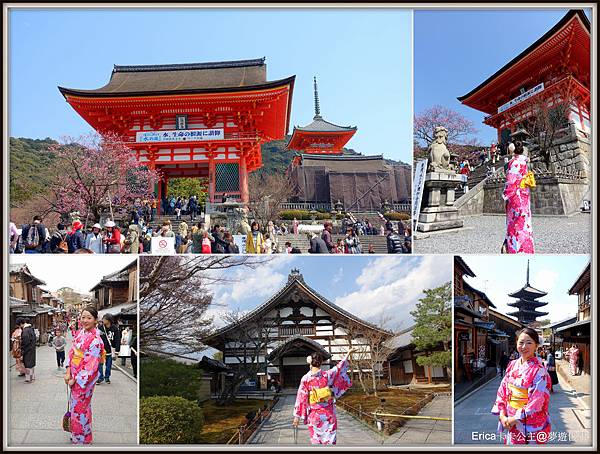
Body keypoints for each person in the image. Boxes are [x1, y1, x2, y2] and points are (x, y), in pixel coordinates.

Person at [491, 328, 551, 444]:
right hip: (509, 418)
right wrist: (502, 415)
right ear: (516, 343)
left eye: (529, 343)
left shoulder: (539, 371)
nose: (524, 346)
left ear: (536, 345)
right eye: (521, 342)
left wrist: (514, 419)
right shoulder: (512, 364)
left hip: (528, 421)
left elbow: (536, 402)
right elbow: (503, 390)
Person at [293, 348, 356, 444]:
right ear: (321, 363)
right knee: (330, 440)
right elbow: (339, 367)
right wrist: (348, 353)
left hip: (314, 415)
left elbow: (301, 398)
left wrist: (297, 417)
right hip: (329, 413)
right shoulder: (327, 375)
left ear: (310, 363)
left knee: (316, 441)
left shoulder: (305, 379)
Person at [63, 307, 105, 444]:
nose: (85, 320)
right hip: (74, 377)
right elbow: (72, 352)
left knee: (81, 408)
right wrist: (68, 371)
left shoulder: (96, 340)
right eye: (83, 317)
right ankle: (79, 434)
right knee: (77, 407)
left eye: (89, 318)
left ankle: (81, 438)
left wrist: (75, 379)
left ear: (95, 320)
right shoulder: (80, 333)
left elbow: (91, 366)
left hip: (84, 381)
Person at [502, 141, 534, 254]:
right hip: (524, 195)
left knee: (515, 224)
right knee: (525, 222)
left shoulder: (514, 162)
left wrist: (505, 196)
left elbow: (511, 181)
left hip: (515, 196)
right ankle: (527, 249)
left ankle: (516, 249)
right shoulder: (524, 161)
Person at [97, 314, 120, 385]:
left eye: (104, 319)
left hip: (110, 351)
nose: (103, 320)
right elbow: (96, 338)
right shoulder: (100, 327)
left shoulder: (115, 329)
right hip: (101, 350)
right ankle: (100, 377)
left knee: (108, 365)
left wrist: (117, 352)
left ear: (109, 320)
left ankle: (107, 377)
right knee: (100, 365)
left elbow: (117, 340)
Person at [20, 318, 37, 383]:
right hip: (32, 349)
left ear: (21, 324)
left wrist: (22, 349)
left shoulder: (25, 331)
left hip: (27, 349)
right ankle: (32, 377)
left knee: (27, 364)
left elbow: (25, 342)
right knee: (31, 364)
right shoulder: (31, 329)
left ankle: (28, 379)